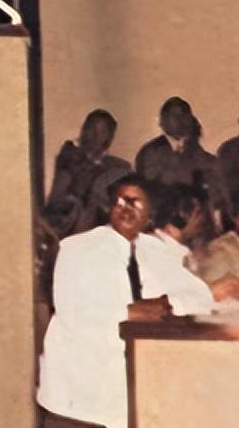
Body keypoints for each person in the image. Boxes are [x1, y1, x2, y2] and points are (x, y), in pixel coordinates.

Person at [38, 174, 185, 428]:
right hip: (78, 398)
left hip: (127, 393)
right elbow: (78, 313)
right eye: (119, 202)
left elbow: (191, 297)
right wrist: (136, 310)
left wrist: (167, 305)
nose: (125, 209)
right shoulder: (76, 249)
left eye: (135, 203)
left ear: (151, 215)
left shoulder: (154, 251)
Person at [143, 185, 239, 315]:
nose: (203, 222)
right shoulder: (152, 250)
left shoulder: (181, 253)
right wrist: (210, 293)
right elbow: (159, 307)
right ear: (182, 216)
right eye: (200, 214)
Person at [44, 109, 131, 237]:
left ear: (110, 137)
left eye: (101, 131)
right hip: (73, 232)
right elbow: (55, 204)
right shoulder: (69, 162)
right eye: (90, 129)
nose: (94, 136)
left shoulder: (121, 168)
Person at [134, 96, 226, 216]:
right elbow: (154, 186)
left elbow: (211, 173)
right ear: (162, 121)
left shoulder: (194, 148)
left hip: (198, 214)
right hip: (165, 214)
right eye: (175, 115)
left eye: (185, 115)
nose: (181, 119)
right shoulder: (152, 151)